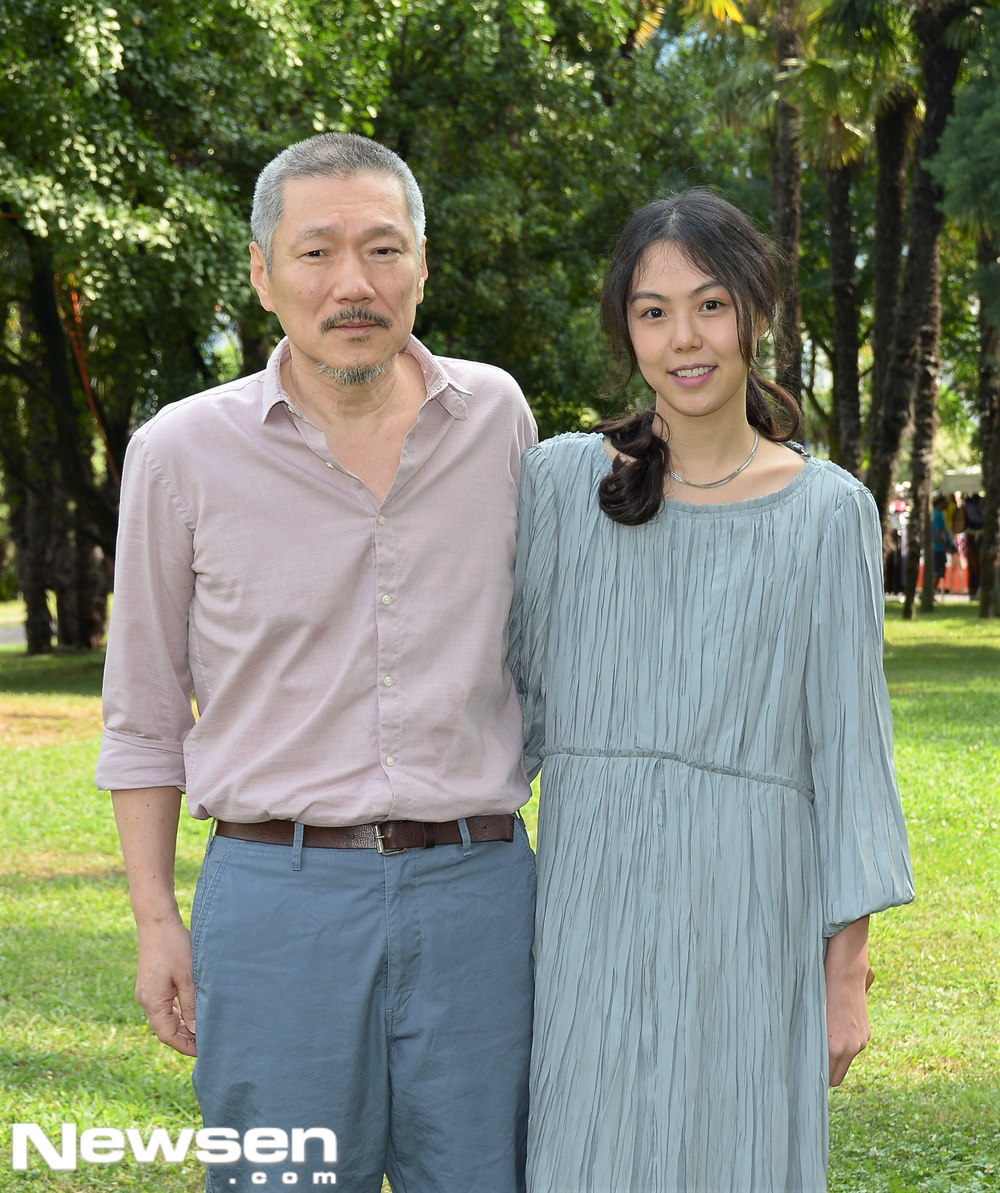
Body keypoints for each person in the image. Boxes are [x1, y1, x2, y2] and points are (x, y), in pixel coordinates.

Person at [98, 132, 537, 1193]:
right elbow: (144, 711)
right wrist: (158, 918)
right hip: (274, 902)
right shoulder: (179, 453)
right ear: (261, 272)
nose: (354, 283)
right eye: (316, 253)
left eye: (383, 249)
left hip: (479, 896)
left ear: (423, 264)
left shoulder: (500, 422)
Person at [509, 189, 914, 1193]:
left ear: (757, 314)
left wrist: (843, 975)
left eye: (709, 304)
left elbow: (849, 753)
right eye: (652, 311)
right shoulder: (559, 484)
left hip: (753, 908)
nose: (683, 338)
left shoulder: (828, 511)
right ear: (625, 328)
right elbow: (494, 686)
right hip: (588, 903)